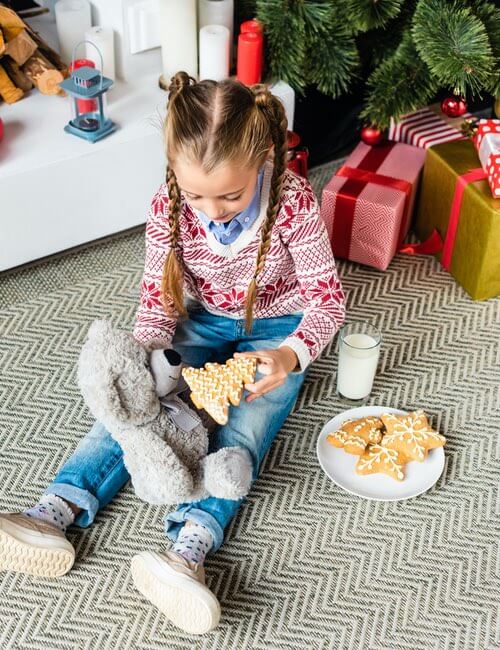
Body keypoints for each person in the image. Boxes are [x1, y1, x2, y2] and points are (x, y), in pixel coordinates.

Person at [0, 71, 345, 635]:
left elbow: (327, 303)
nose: (213, 211)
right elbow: (157, 299)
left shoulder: (294, 203)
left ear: (261, 157)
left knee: (244, 427)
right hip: (204, 321)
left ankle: (189, 550)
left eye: (231, 195)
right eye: (198, 195)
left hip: (277, 330)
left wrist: (289, 357)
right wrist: (148, 358)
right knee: (137, 408)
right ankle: (53, 510)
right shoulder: (168, 206)